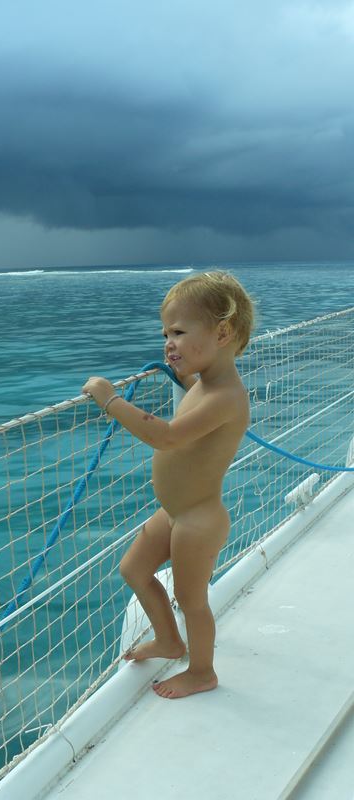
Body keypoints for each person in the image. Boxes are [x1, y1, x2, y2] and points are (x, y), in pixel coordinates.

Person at [82, 271, 254, 699]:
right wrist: (184, 378)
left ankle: (202, 671)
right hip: (175, 510)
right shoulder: (206, 385)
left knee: (191, 599)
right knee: (133, 569)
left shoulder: (226, 397)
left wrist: (111, 399)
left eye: (178, 331)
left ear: (223, 332)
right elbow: (195, 394)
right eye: (165, 333)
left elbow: (168, 436)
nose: (167, 342)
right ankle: (168, 640)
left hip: (198, 518)